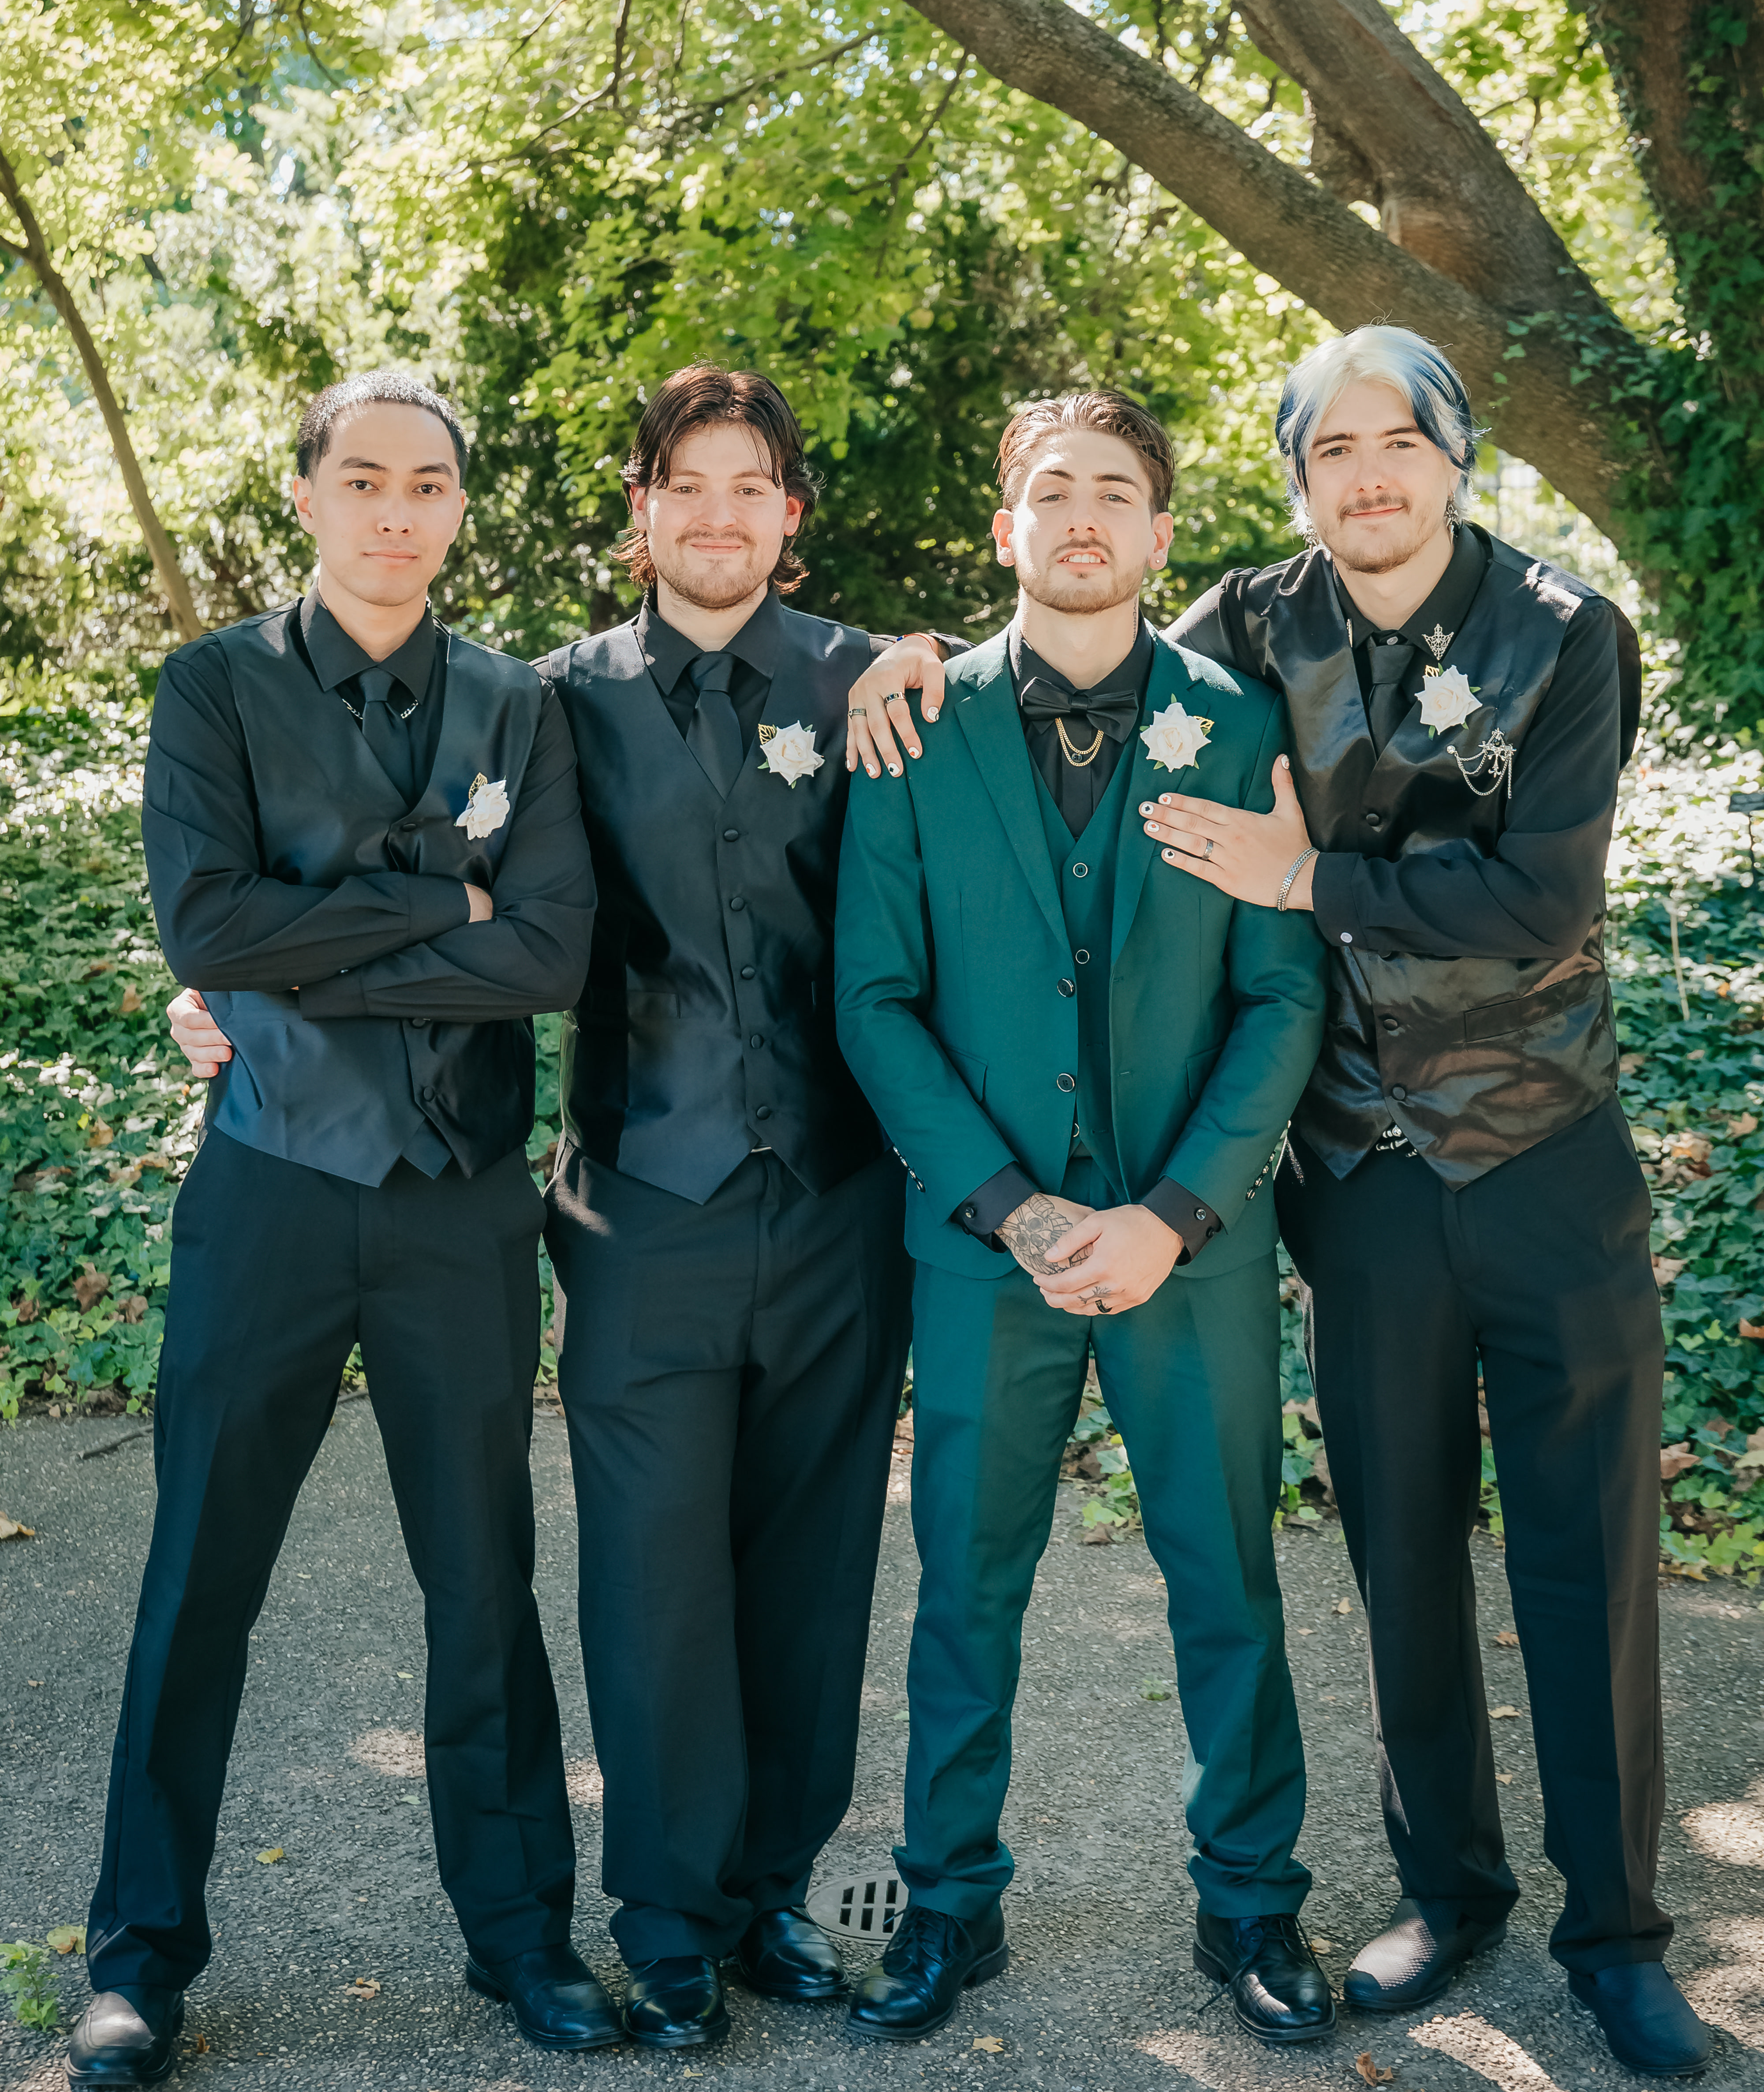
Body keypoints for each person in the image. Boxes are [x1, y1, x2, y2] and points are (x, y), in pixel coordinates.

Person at [848, 330, 1709, 2083]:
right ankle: (1419, 1893)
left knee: (1527, 1564)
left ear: (1453, 456)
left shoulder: (1553, 634)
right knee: (1374, 1558)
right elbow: (896, 961)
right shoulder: (1232, 635)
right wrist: (898, 654)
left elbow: (1485, 920)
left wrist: (1301, 893)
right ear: (1300, 479)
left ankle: (1571, 1931)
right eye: (1332, 452)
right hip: (1317, 1191)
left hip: (1512, 1158)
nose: (1366, 477)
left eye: (1398, 444)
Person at [102, 370, 611, 2089]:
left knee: (483, 1579)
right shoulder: (218, 687)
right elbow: (207, 925)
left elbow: (549, 952)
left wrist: (312, 946)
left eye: (430, 484)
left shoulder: (519, 704)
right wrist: (430, 903)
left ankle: (522, 1936)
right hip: (270, 1186)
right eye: (366, 479)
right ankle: (139, 1958)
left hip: (461, 1207)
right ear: (309, 495)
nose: (399, 510)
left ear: (459, 506)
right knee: (200, 1575)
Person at [834, 389, 1333, 2051]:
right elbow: (876, 999)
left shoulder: (1238, 722)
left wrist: (1173, 1215)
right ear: (1008, 527)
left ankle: (1251, 1901)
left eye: (1117, 492)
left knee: (1228, 1578)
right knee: (965, 1586)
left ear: (1162, 532)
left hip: (1192, 1249)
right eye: (1054, 491)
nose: (1084, 517)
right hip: (988, 1250)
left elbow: (1282, 996)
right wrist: (1012, 1209)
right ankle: (944, 1902)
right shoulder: (916, 727)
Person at [531, 368, 960, 2048]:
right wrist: (232, 995)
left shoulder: (872, 682)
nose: (718, 515)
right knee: (652, 1578)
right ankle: (666, 1917)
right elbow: (439, 883)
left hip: (839, 1202)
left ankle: (774, 1887)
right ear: (642, 510)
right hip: (643, 1203)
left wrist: (930, 652)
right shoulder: (553, 701)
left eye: (749, 486)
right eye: (685, 485)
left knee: (813, 1565)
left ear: (789, 514)